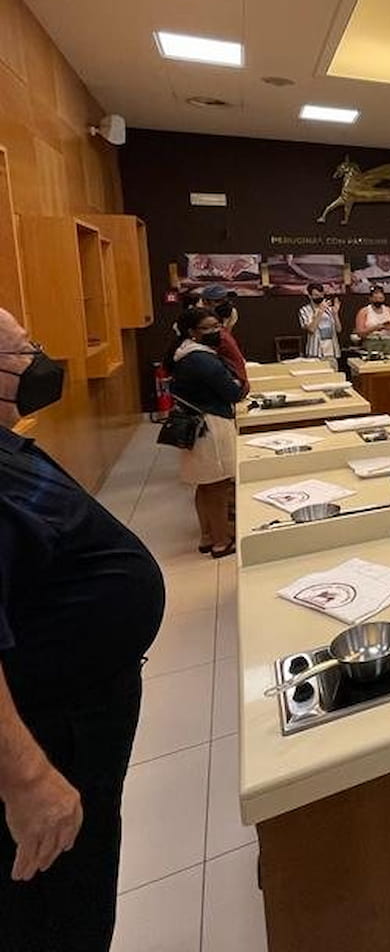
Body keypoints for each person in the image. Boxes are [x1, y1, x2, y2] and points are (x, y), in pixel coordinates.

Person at [0, 305, 165, 952]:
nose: (39, 360)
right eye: (23, 351)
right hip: (45, 738)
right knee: (55, 910)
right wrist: (27, 779)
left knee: (87, 879)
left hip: (78, 712)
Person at [170, 307, 245, 559]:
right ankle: (222, 541)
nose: (215, 331)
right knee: (218, 486)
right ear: (192, 332)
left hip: (197, 424)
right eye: (207, 328)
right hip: (211, 424)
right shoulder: (203, 359)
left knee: (204, 484)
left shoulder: (184, 354)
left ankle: (207, 536)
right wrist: (237, 384)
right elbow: (233, 392)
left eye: (216, 326)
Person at [298, 283, 341, 360]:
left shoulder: (329, 309)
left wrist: (335, 314)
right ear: (310, 296)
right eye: (316, 295)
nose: (320, 297)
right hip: (315, 352)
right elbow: (311, 329)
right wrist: (320, 311)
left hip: (331, 351)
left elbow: (339, 329)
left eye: (321, 295)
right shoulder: (304, 310)